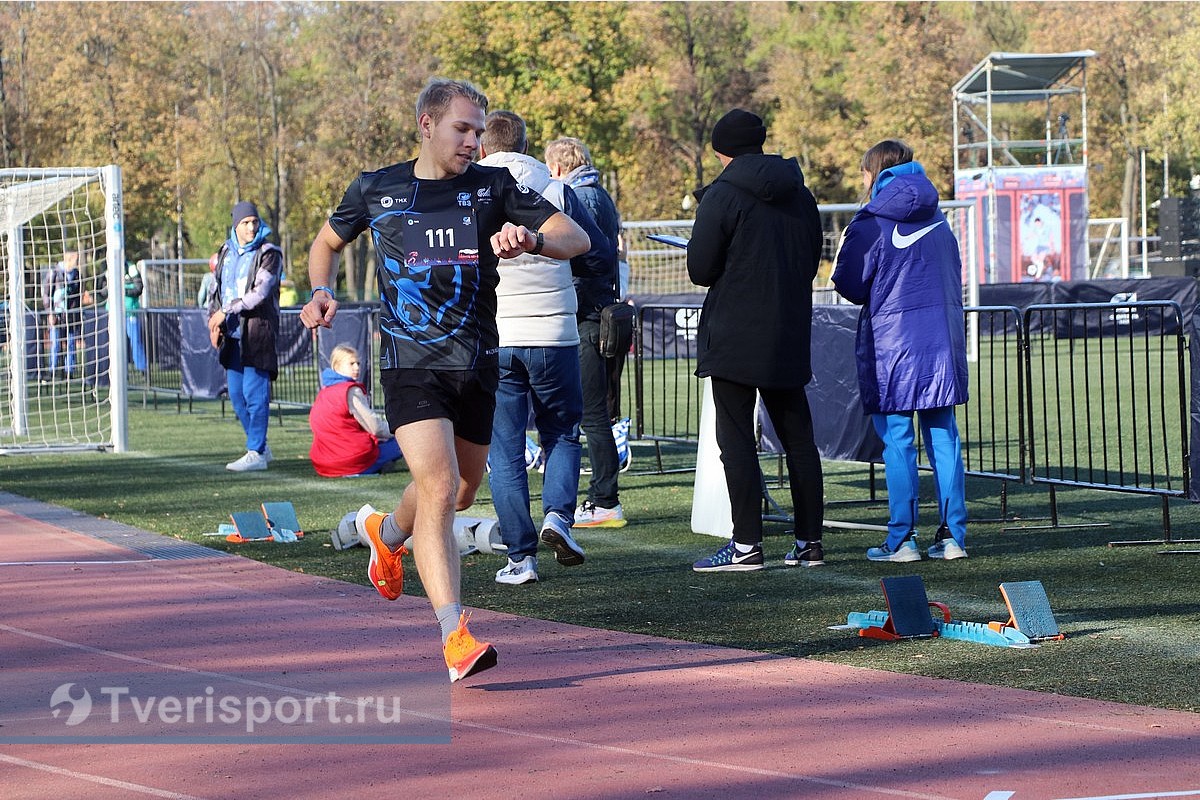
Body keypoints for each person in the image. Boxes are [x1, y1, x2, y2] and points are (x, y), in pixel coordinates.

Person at [300, 77, 590, 682]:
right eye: (463, 129)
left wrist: (531, 236)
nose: (473, 142)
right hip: (410, 363)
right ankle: (454, 635)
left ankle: (387, 531)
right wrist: (321, 290)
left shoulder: (493, 186)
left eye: (480, 132)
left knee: (458, 493)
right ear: (427, 125)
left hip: (478, 362)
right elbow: (324, 244)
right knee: (439, 484)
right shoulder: (376, 188)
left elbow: (577, 236)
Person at [687, 108, 826, 573]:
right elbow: (810, 261)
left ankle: (747, 544)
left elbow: (700, 269)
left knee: (737, 440)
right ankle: (809, 542)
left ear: (720, 150)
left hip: (734, 332)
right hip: (786, 326)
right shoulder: (799, 193)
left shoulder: (723, 195)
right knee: (798, 439)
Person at [479, 111, 614, 585]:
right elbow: (596, 254)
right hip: (555, 331)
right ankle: (558, 517)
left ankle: (521, 557)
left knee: (506, 449)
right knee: (562, 433)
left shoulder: (474, 190)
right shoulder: (557, 191)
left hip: (498, 335)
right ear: (529, 145)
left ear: (481, 147)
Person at [832, 139, 969, 562]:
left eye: (862, 171)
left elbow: (850, 283)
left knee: (898, 442)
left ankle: (902, 539)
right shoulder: (940, 218)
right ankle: (952, 538)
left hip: (891, 346)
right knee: (943, 438)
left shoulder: (870, 220)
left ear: (875, 172)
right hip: (941, 342)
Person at [543, 137, 626, 528]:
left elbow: (587, 258)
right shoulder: (601, 195)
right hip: (600, 312)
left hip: (588, 315)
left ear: (557, 167)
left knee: (592, 414)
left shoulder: (581, 198)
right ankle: (600, 496)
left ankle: (605, 498)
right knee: (594, 411)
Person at [206, 200, 282, 473]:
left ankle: (256, 452)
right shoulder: (226, 251)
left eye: (254, 222)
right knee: (236, 396)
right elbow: (216, 290)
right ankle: (259, 443)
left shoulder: (269, 253)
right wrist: (213, 321)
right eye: (245, 223)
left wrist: (224, 311)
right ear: (235, 225)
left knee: (255, 394)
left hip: (258, 332)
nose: (251, 227)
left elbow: (259, 294)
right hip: (232, 334)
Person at [309, 344, 403, 478]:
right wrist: (400, 429)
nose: (357, 368)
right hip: (352, 460)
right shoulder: (351, 391)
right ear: (337, 366)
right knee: (406, 439)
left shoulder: (323, 392)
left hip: (323, 463)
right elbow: (375, 428)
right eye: (351, 363)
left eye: (358, 363)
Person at [41, 246, 83, 381]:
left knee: (71, 344)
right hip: (57, 316)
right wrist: (50, 313)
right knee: (56, 344)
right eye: (75, 259)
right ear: (68, 258)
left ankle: (69, 371)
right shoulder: (54, 273)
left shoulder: (77, 275)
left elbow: (78, 296)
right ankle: (53, 371)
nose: (77, 262)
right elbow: (46, 294)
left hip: (71, 316)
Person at [121, 261, 147, 374]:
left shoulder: (131, 268)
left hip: (130, 313)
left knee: (136, 341)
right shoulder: (108, 266)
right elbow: (102, 289)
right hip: (113, 314)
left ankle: (142, 369)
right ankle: (119, 370)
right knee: (116, 344)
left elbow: (138, 288)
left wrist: (123, 290)